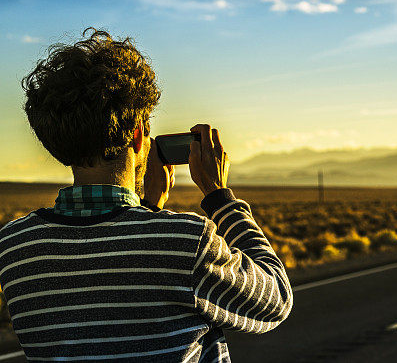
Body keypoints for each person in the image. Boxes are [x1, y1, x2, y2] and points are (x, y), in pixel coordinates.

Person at [0, 28, 293, 362]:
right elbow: (276, 299)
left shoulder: (14, 247)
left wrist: (150, 208)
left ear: (55, 143)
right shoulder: (187, 242)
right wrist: (218, 196)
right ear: (139, 135)